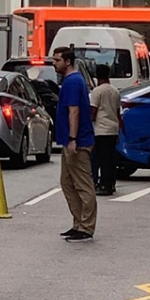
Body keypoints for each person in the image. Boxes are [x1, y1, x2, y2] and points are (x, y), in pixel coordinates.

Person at [52, 47, 97, 243]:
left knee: (82, 185)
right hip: (70, 140)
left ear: (67, 62)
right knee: (67, 183)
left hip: (77, 142)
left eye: (57, 60)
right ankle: (79, 222)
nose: (54, 63)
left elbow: (74, 111)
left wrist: (72, 138)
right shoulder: (74, 81)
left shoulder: (72, 82)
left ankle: (86, 226)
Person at [89, 64, 121, 196]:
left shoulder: (97, 91)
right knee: (111, 158)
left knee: (101, 159)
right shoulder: (115, 91)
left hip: (101, 129)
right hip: (113, 128)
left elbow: (93, 111)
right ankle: (111, 183)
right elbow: (118, 112)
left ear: (97, 76)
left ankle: (103, 184)